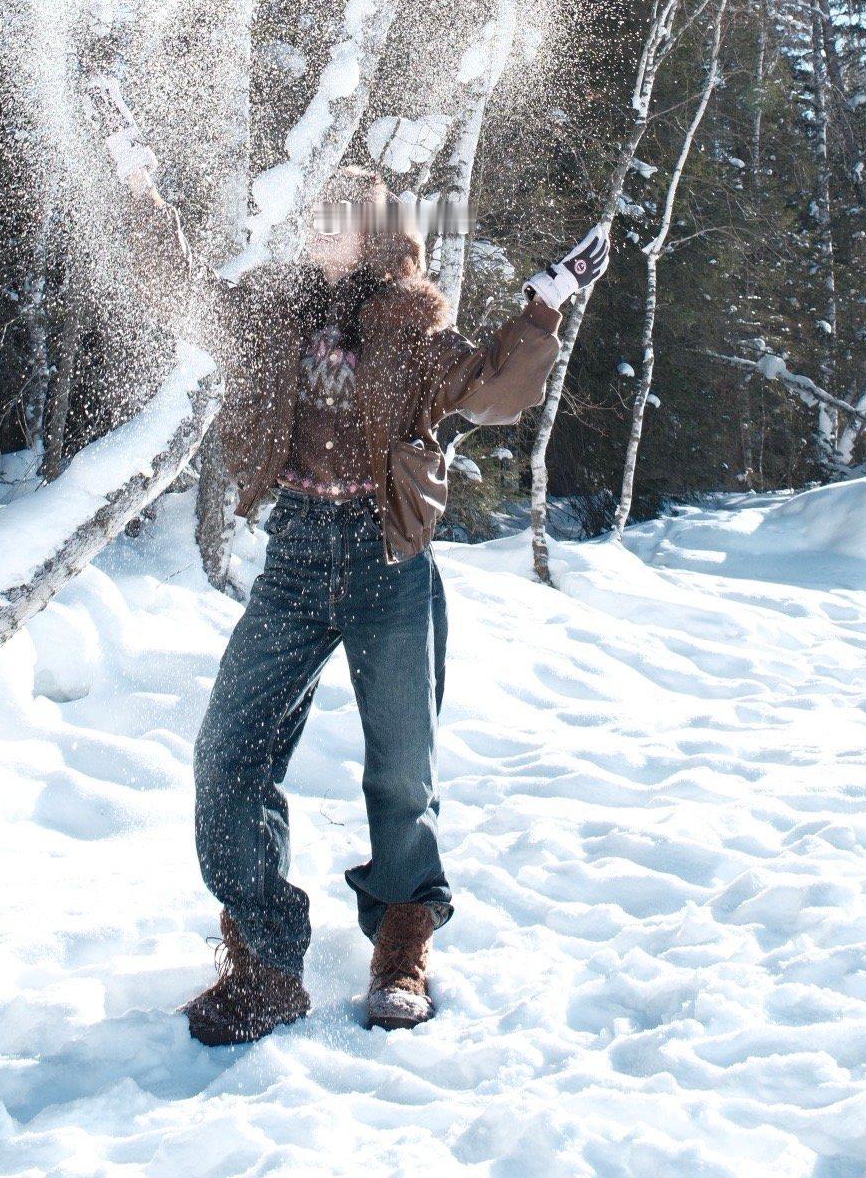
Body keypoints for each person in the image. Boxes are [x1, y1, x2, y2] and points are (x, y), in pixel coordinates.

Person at [82, 87, 609, 1043]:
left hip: (387, 561)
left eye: (340, 213)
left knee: (401, 777)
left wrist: (548, 299)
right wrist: (134, 177)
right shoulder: (272, 310)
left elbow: (494, 391)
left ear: (374, 234)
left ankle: (401, 951)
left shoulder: (414, 329)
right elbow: (183, 286)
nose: (319, 223)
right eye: (316, 210)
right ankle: (266, 963)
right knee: (227, 757)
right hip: (292, 560)